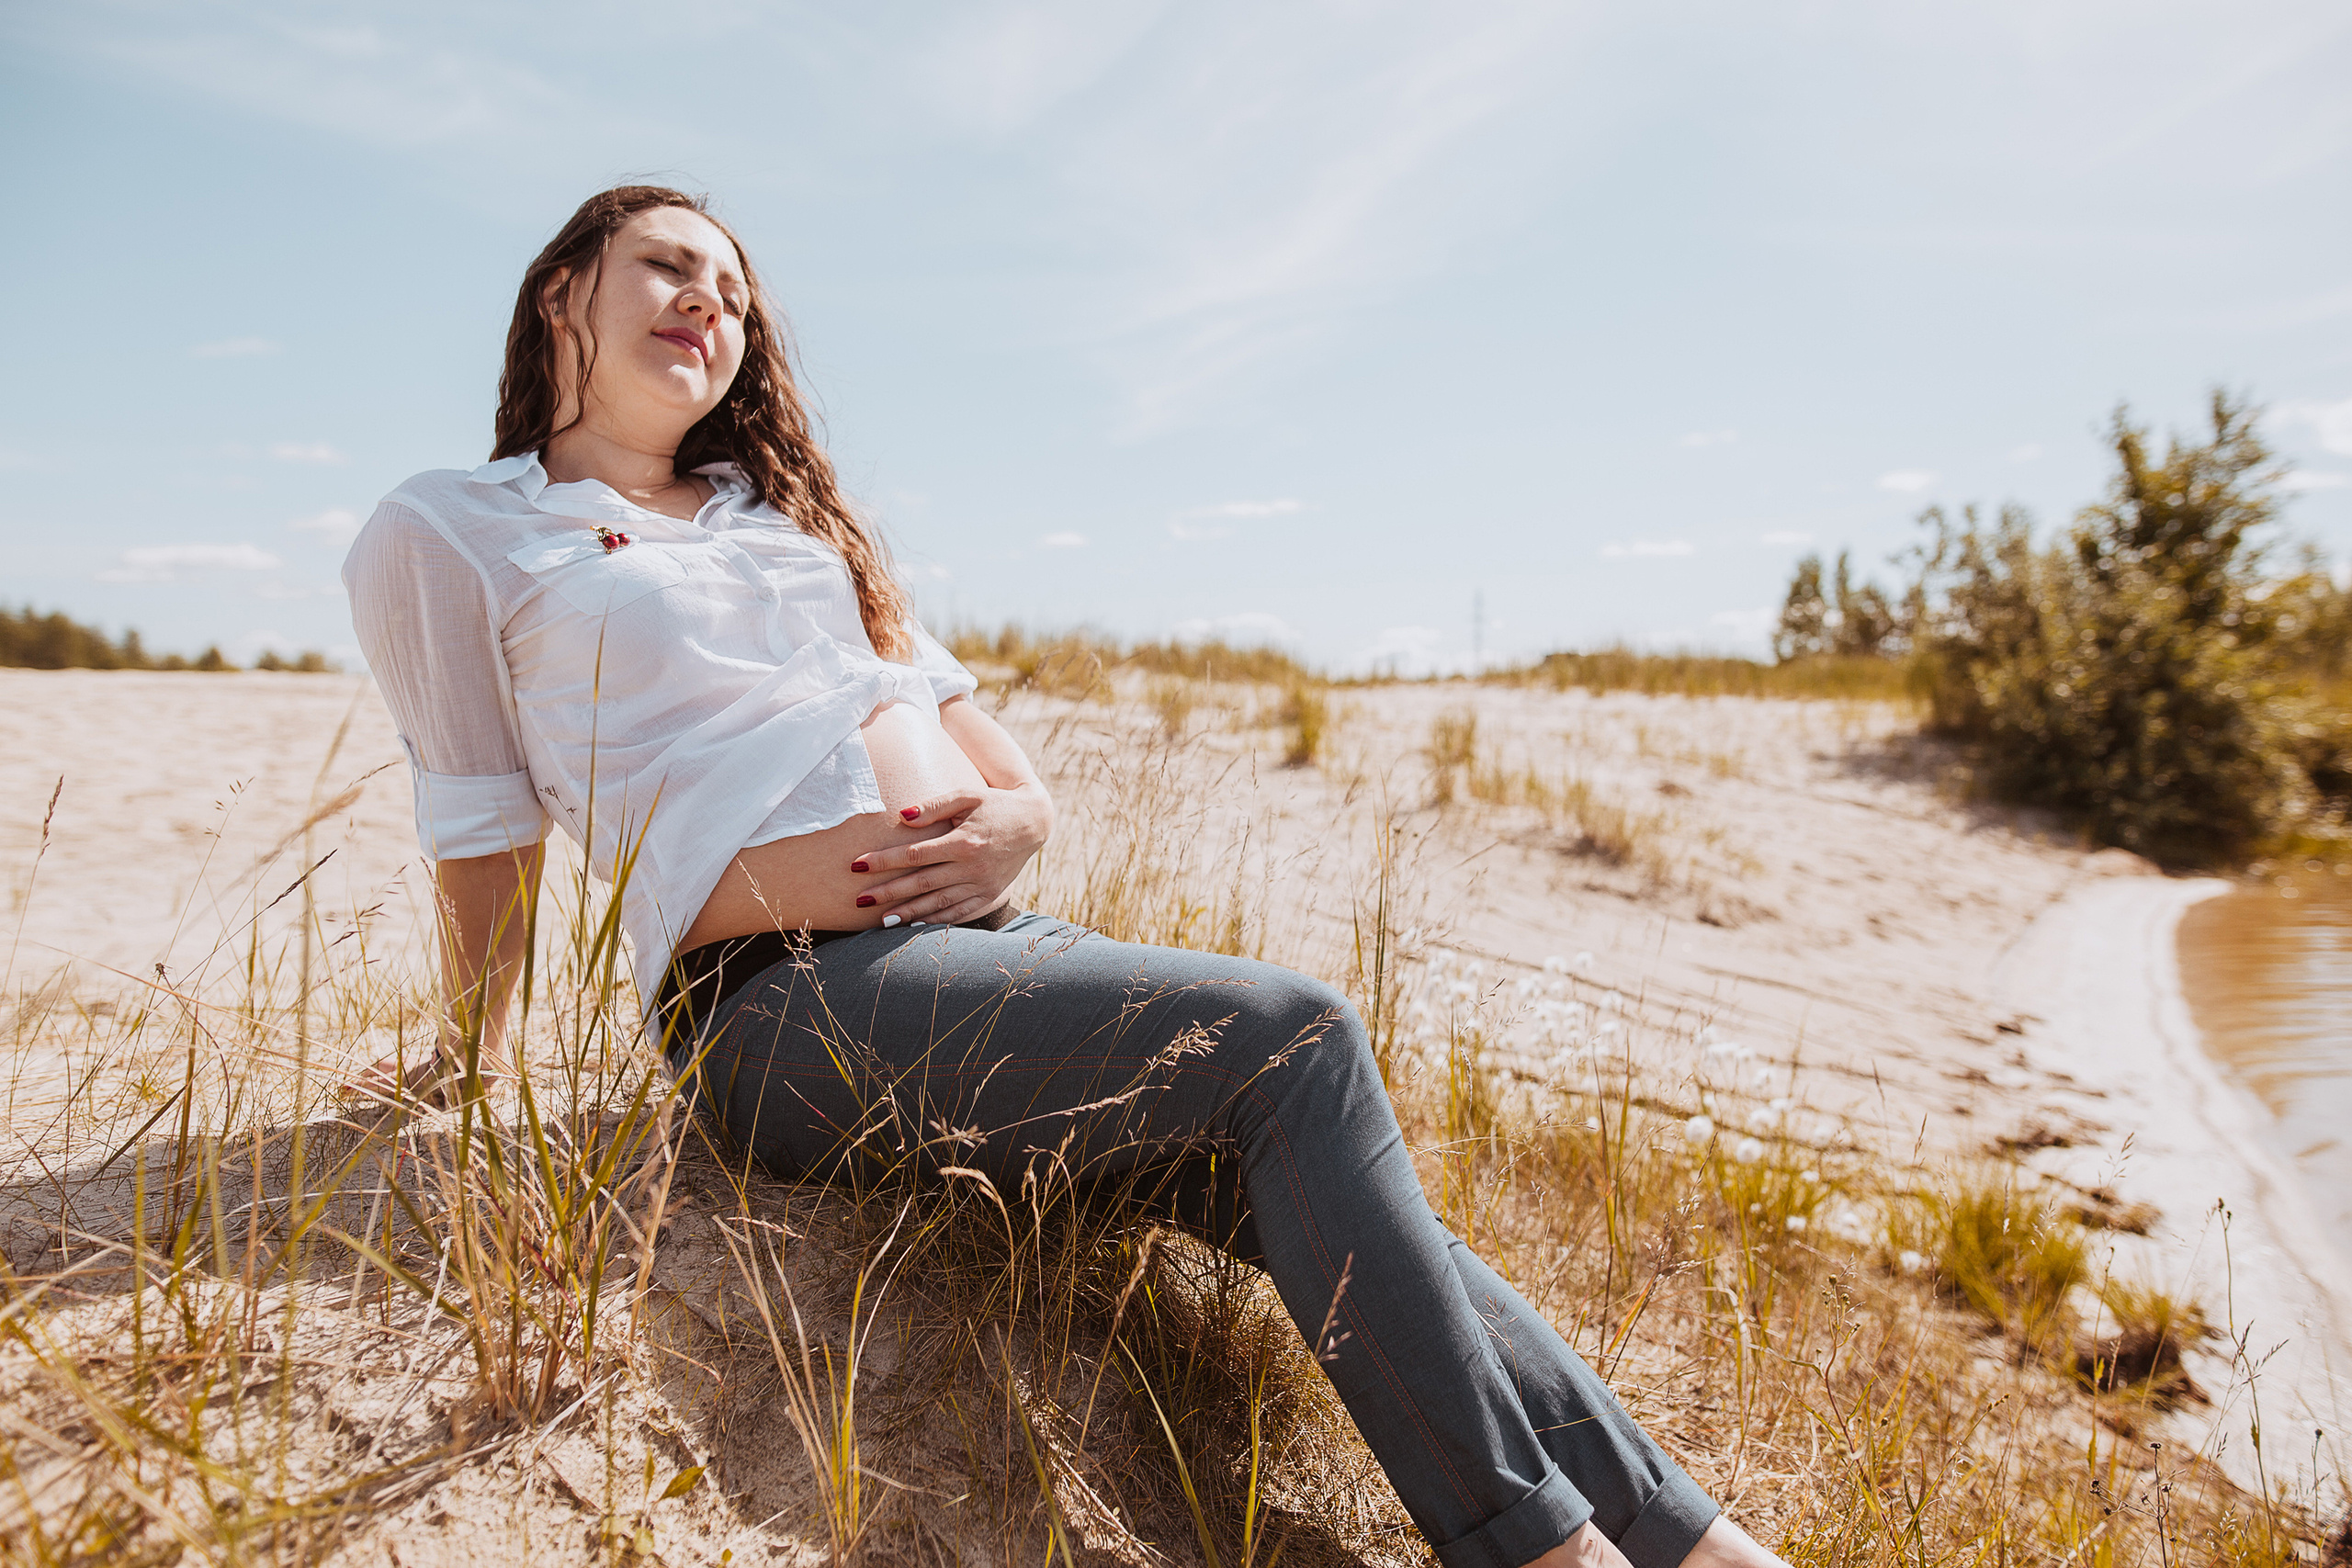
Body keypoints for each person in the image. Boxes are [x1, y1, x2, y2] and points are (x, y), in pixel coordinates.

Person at [344, 185, 1787, 1568]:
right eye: (669, 267)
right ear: (560, 296)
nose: (707, 304)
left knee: (1309, 1178)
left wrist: (1015, 824)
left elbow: (996, 761)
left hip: (990, 948)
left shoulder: (784, 523)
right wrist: (468, 1060)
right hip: (776, 1003)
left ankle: (1696, 1543)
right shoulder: (459, 529)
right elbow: (481, 822)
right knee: (1293, 1035)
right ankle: (1542, 1552)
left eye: (733, 293)